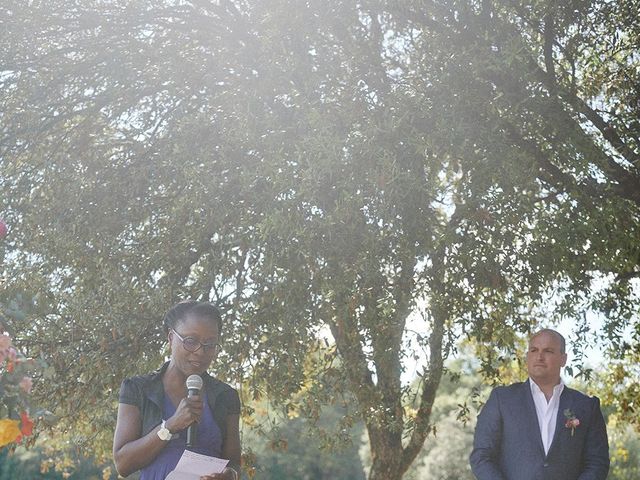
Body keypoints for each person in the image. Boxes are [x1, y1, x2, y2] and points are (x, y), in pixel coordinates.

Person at [113, 301, 241, 480]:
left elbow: (234, 463)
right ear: (171, 338)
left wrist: (230, 476)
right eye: (190, 341)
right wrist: (170, 426)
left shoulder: (226, 396)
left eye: (210, 344)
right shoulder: (138, 389)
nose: (199, 352)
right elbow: (123, 464)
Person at [470, 328, 609, 480]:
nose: (539, 357)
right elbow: (482, 456)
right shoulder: (502, 399)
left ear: (563, 359)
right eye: (534, 350)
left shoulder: (586, 406)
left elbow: (597, 462)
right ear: (527, 356)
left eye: (548, 351)